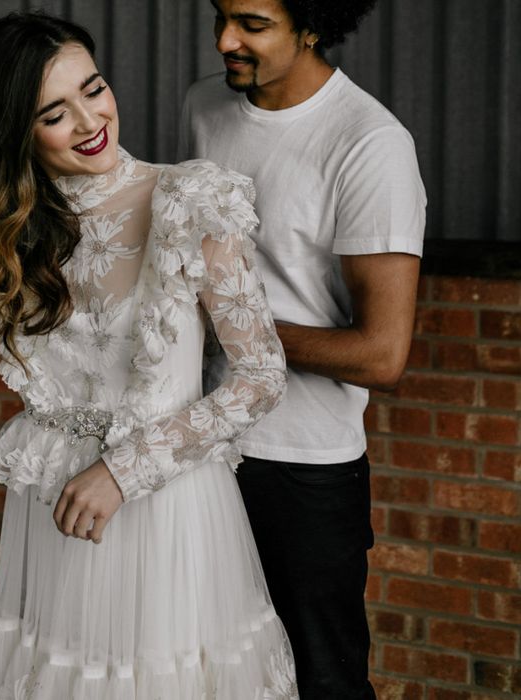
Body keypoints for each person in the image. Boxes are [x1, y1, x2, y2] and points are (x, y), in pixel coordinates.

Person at [0, 11, 299, 700]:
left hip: (159, 505)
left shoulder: (185, 201)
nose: (91, 120)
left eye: (93, 88)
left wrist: (122, 471)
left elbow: (261, 377)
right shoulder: (14, 235)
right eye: (53, 113)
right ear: (14, 133)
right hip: (52, 514)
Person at [179, 1, 426, 698]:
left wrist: (227, 319)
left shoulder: (369, 142)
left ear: (314, 24)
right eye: (221, 16)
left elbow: (382, 353)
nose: (226, 40)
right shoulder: (205, 105)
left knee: (321, 683)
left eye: (252, 24)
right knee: (207, 673)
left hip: (301, 468)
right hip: (197, 443)